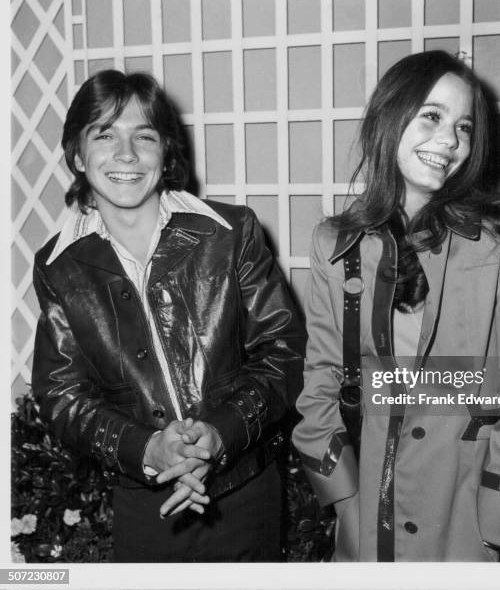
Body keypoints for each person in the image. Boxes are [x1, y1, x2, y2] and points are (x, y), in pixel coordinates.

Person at [292, 51, 500, 562]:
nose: (450, 141)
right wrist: (345, 500)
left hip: (477, 515)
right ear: (389, 118)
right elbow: (322, 380)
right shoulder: (336, 243)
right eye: (432, 117)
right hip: (372, 518)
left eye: (464, 127)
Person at [32, 70, 304, 562]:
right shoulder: (59, 267)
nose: (127, 155)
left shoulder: (231, 232)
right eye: (105, 134)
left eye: (145, 136)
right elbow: (61, 394)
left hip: (243, 492)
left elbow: (284, 352)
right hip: (146, 504)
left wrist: (218, 435)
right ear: (77, 155)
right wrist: (147, 449)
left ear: (166, 153)